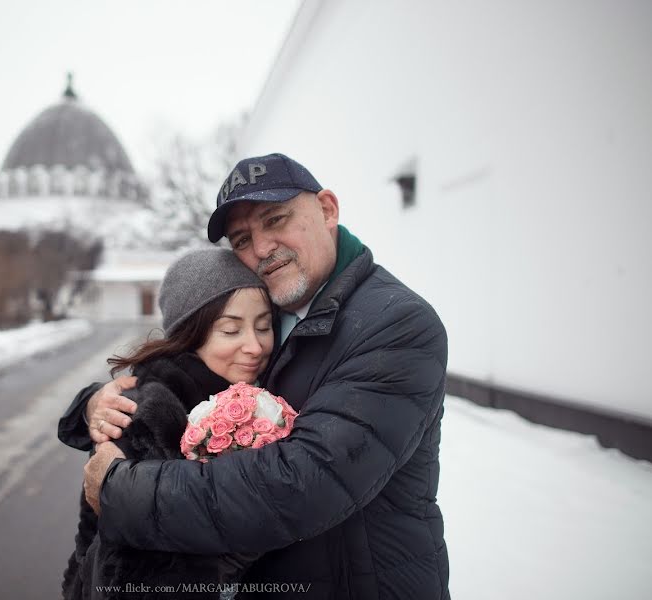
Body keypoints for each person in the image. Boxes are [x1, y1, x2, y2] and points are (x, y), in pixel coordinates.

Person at [63, 153, 449, 599]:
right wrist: (99, 404)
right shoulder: (274, 312)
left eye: (276, 218)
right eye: (243, 238)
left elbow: (305, 483)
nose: (262, 248)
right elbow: (184, 375)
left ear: (327, 210)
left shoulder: (395, 323)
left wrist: (120, 490)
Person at [60, 248, 273, 599]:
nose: (255, 345)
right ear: (191, 334)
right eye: (231, 330)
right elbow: (129, 575)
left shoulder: (257, 396)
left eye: (264, 326)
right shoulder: (148, 419)